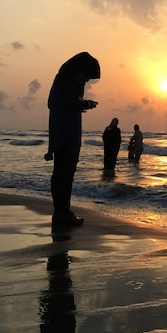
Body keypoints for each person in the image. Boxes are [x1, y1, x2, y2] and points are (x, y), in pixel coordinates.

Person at [45, 52, 100, 229]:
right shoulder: (76, 79)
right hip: (69, 131)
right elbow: (73, 102)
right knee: (66, 174)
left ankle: (59, 212)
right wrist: (87, 104)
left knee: (59, 174)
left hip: (57, 130)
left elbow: (52, 103)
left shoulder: (60, 80)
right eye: (89, 78)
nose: (87, 82)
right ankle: (63, 214)